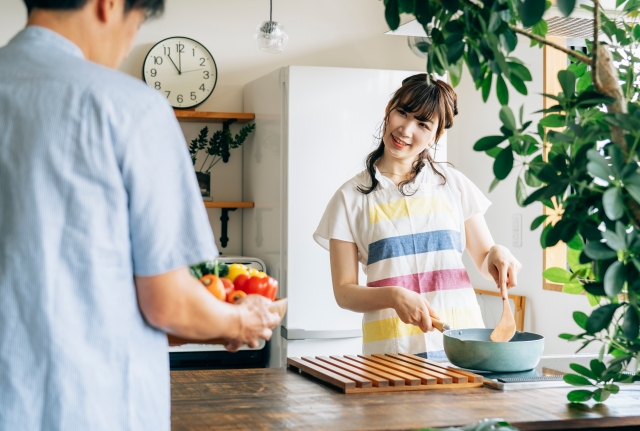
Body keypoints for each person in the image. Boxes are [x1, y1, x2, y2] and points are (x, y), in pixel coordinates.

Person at [0, 1, 280, 430]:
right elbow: (168, 305)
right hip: (91, 409)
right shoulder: (128, 107)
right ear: (109, 6)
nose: (126, 44)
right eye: (138, 24)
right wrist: (240, 320)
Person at [314, 74, 522, 358]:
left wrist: (498, 254)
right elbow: (344, 292)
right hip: (390, 353)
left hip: (461, 345)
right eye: (402, 113)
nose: (406, 129)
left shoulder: (453, 184)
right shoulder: (349, 198)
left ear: (437, 135)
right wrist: (393, 295)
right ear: (389, 108)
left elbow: (486, 260)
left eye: (423, 124)